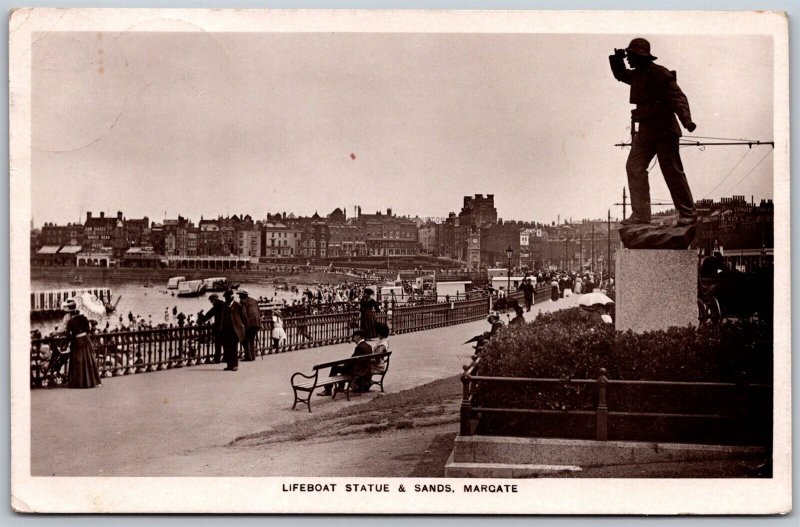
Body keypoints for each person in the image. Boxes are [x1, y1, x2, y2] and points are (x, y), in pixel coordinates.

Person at [610, 38, 698, 226]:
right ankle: (641, 215)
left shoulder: (660, 73)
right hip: (647, 130)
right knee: (634, 167)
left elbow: (678, 97)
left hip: (665, 129)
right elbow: (619, 73)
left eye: (630, 56)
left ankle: (688, 213)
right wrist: (617, 59)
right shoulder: (637, 76)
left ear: (640, 56)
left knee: (672, 171)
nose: (628, 60)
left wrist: (686, 120)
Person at [318, 330, 373, 396]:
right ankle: (340, 387)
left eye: (354, 336)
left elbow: (352, 361)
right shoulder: (368, 346)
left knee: (335, 368)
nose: (353, 338)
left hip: (359, 372)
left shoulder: (359, 347)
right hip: (364, 371)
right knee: (344, 367)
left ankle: (328, 390)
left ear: (359, 336)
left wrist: (344, 365)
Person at [63, 299, 102, 388]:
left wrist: (67, 342)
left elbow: (69, 335)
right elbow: (88, 329)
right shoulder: (84, 318)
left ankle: (80, 383)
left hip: (77, 341)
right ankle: (92, 381)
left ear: (70, 312)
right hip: (86, 340)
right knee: (89, 359)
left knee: (78, 361)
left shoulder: (70, 321)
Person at [219, 289, 245, 371]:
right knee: (227, 347)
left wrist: (242, 327)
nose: (226, 299)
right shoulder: (224, 306)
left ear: (231, 297)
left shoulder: (238, 305)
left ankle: (235, 365)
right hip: (226, 330)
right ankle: (229, 365)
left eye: (227, 298)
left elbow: (243, 317)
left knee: (233, 347)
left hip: (235, 330)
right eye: (225, 298)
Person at [198, 293, 224, 363]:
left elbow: (210, 314)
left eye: (211, 301)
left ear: (214, 300)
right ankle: (225, 357)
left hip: (219, 326)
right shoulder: (223, 304)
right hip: (226, 326)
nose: (211, 302)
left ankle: (217, 359)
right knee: (225, 343)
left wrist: (202, 319)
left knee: (217, 343)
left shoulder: (217, 305)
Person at [237, 289, 261, 361]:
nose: (239, 297)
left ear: (242, 295)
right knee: (251, 339)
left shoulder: (242, 302)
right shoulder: (254, 300)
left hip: (249, 323)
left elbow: (243, 313)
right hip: (256, 322)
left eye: (239, 295)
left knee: (245, 339)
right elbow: (259, 311)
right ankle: (253, 356)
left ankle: (248, 356)